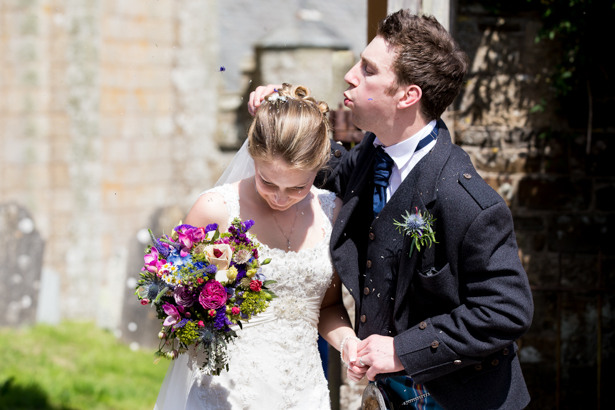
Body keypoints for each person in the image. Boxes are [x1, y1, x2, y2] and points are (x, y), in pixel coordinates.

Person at [249, 10, 534, 410]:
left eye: (367, 70)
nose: (350, 75)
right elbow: (329, 168)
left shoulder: (466, 201)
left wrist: (402, 349)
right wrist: (281, 114)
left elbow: (506, 310)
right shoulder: (372, 153)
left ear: (407, 96)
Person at [154, 84, 360, 410]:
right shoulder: (215, 208)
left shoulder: (331, 212)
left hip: (302, 389)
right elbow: (169, 294)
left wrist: (349, 345)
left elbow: (327, 307)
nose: (280, 197)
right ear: (252, 154)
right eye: (268, 182)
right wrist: (199, 297)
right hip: (228, 390)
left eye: (297, 186)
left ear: (320, 165)